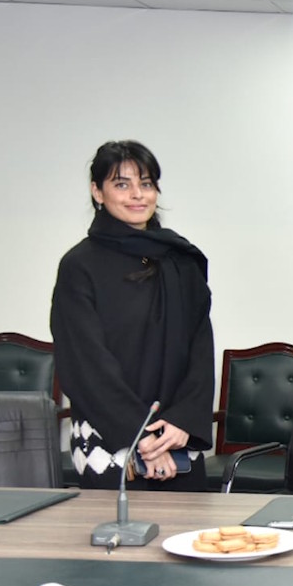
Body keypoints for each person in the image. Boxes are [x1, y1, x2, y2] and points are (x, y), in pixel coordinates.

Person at [50, 140, 213, 491]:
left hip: (177, 436)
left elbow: (200, 346)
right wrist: (142, 436)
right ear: (97, 192)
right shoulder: (80, 265)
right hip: (108, 435)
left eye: (147, 183)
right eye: (121, 184)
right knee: (113, 541)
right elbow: (85, 363)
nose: (137, 195)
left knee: (185, 540)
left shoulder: (179, 260)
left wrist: (182, 420)